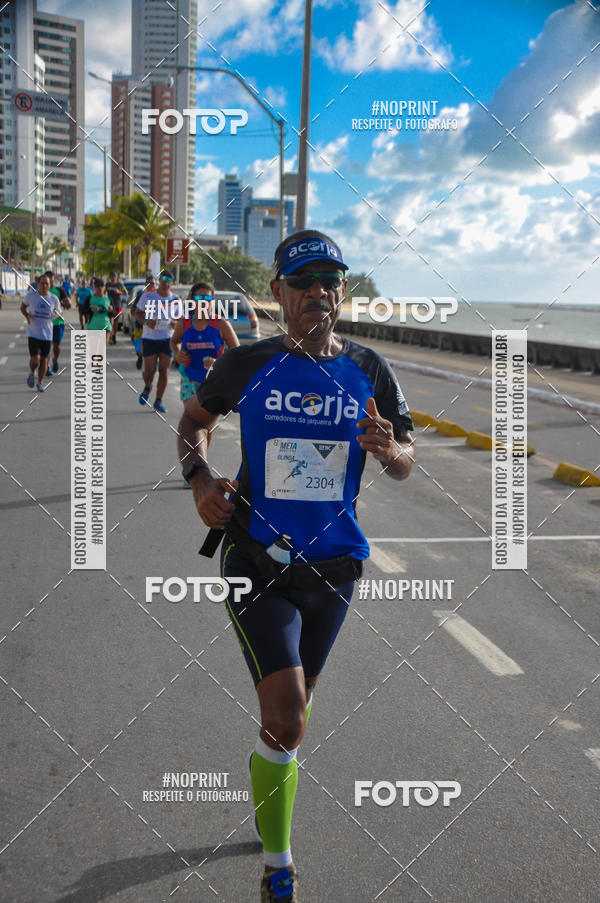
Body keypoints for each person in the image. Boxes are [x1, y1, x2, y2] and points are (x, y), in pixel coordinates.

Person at [177, 230, 415, 902]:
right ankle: (278, 866)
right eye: (304, 282)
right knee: (287, 716)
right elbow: (192, 421)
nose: (318, 293)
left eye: (330, 281)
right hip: (256, 557)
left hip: (334, 570)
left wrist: (390, 447)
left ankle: (272, 778)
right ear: (279, 292)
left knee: (294, 710)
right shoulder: (247, 364)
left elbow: (404, 462)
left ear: (342, 292)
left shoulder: (368, 370)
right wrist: (200, 475)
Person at [170, 280, 239, 411]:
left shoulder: (221, 324)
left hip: (214, 380)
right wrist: (176, 354)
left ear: (212, 301)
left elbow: (236, 351)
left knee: (207, 427)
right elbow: (173, 341)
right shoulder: (184, 323)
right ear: (192, 300)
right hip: (189, 379)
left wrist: (218, 362)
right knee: (191, 422)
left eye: (207, 298)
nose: (203, 301)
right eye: (198, 298)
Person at [135, 269, 179, 413]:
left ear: (172, 282)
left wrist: (176, 324)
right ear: (159, 280)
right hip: (150, 338)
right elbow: (137, 313)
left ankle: (159, 400)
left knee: (164, 370)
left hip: (168, 338)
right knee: (150, 371)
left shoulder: (175, 300)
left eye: (169, 279)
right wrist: (147, 321)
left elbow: (181, 320)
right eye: (164, 278)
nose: (166, 281)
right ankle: (148, 387)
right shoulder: (147, 297)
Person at [20, 274, 62, 391]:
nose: (44, 285)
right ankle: (31, 373)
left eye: (46, 283)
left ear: (50, 285)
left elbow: (59, 314)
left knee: (44, 359)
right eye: (42, 283)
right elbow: (22, 307)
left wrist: (57, 314)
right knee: (35, 358)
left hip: (47, 334)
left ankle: (40, 382)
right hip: (33, 333)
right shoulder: (31, 296)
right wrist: (27, 315)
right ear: (38, 283)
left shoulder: (54, 298)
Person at [45, 270, 70, 374]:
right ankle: (47, 366)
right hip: (45, 324)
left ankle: (55, 360)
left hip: (58, 322)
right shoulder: (40, 291)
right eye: (47, 277)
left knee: (56, 346)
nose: (49, 279)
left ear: (53, 279)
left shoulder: (59, 290)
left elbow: (68, 305)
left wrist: (65, 303)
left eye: (51, 277)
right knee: (46, 346)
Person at [130, 275, 156, 370]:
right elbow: (132, 310)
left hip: (153, 327)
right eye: (148, 283)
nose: (150, 285)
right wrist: (139, 318)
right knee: (138, 347)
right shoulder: (141, 295)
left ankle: (151, 362)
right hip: (140, 326)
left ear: (155, 284)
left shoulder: (159, 295)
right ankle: (140, 356)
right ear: (145, 284)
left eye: (152, 283)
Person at [106, 271, 126, 345]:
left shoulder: (120, 285)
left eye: (114, 277)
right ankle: (111, 336)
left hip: (118, 305)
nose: (113, 278)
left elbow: (125, 293)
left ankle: (114, 335)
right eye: (111, 277)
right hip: (110, 305)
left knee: (116, 322)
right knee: (111, 321)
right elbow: (104, 292)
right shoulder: (107, 284)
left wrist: (119, 292)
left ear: (116, 278)